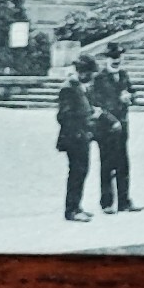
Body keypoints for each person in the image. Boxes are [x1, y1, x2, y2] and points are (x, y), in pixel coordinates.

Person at [57, 54, 115, 222]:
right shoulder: (69, 88)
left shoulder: (79, 86)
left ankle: (77, 206)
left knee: (81, 172)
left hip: (82, 136)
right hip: (74, 137)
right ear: (83, 72)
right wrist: (85, 119)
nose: (91, 77)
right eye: (90, 73)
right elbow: (63, 116)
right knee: (76, 173)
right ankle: (72, 210)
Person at [91, 42, 143, 214]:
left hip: (122, 126)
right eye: (113, 57)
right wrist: (111, 120)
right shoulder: (99, 78)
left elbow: (133, 93)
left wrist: (131, 97)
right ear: (107, 59)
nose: (116, 60)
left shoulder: (123, 75)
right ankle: (106, 202)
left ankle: (124, 201)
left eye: (119, 57)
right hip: (106, 128)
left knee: (123, 164)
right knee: (107, 165)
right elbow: (96, 104)